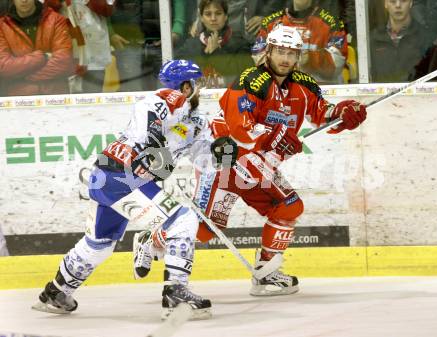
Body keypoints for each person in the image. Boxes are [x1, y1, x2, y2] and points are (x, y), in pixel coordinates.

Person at [134, 25, 366, 296]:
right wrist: (275, 137)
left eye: (292, 53)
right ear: (268, 51)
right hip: (225, 163)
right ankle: (152, 239)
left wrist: (344, 112)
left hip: (259, 166)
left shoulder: (304, 85)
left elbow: (322, 111)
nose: (285, 59)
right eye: (280, 51)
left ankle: (266, 274)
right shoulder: (251, 80)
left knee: (288, 207)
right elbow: (239, 129)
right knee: (206, 231)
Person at [31, 59, 236, 320]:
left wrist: (223, 155)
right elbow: (148, 123)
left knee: (100, 243)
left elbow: (206, 162)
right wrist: (155, 141)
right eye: (195, 83)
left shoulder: (197, 122)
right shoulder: (159, 102)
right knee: (183, 219)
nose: (200, 89)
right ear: (185, 87)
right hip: (119, 174)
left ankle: (56, 292)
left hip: (111, 175)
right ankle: (176, 292)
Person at [251, 0, 348, 84]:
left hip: (322, 90)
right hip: (281, 90)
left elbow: (336, 65)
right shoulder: (271, 23)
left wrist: (310, 58)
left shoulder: (332, 23)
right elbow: (258, 57)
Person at [0, 0, 74, 96]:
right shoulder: (2, 26)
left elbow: (64, 62)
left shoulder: (56, 20)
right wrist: (42, 57)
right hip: (19, 100)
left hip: (55, 98)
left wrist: (23, 76)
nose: (24, 0)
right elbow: (3, 67)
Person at [176, 0, 253, 88]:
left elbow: (247, 77)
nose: (213, 18)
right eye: (208, 14)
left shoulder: (241, 44)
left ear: (226, 16)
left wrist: (216, 52)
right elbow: (176, 72)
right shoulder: (191, 45)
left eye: (218, 13)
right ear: (201, 17)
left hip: (231, 98)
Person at [369, 0, 436, 82]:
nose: (398, 5)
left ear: (411, 3)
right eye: (392, 1)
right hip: (381, 93)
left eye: (403, 1)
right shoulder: (373, 39)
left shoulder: (426, 38)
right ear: (385, 4)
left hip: (417, 93)